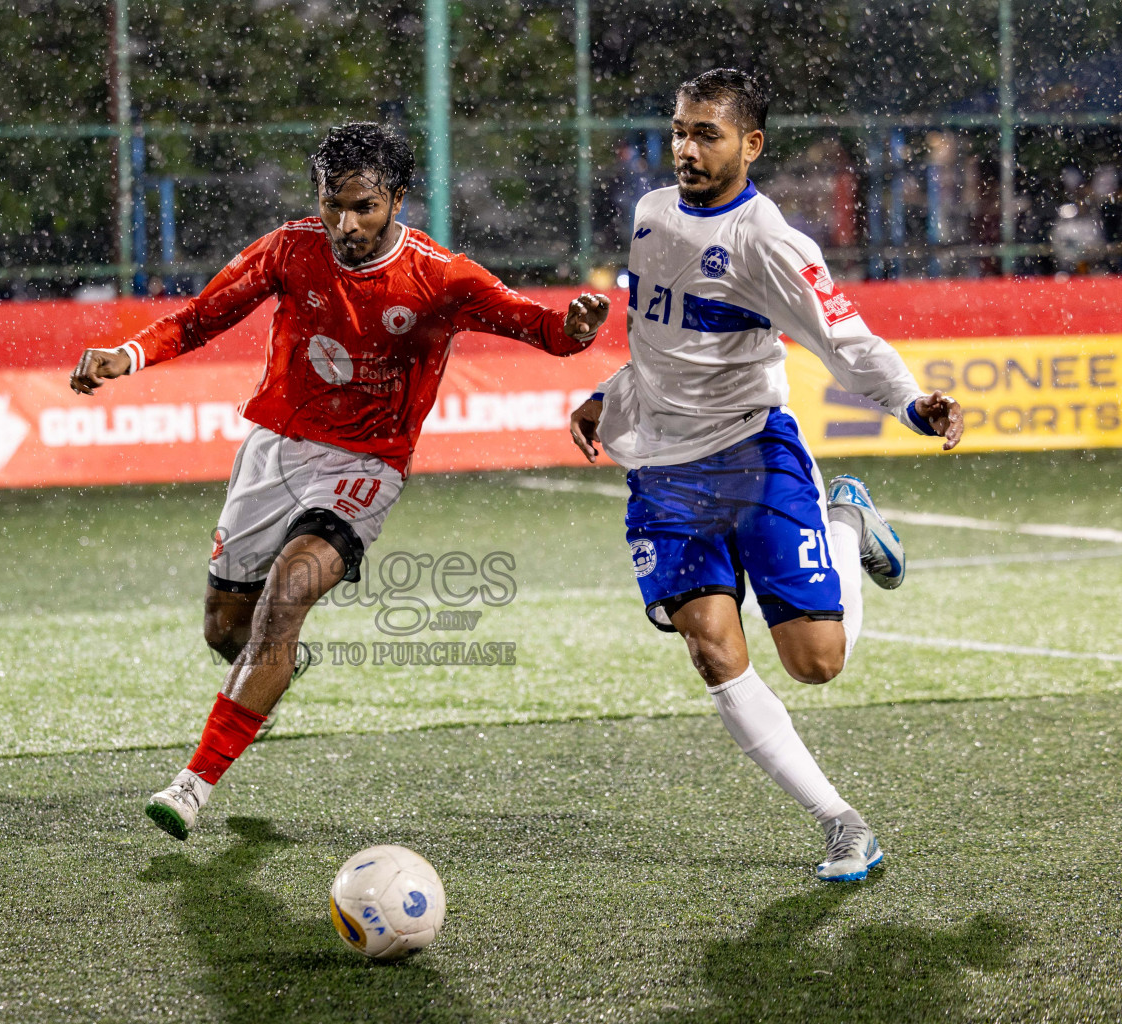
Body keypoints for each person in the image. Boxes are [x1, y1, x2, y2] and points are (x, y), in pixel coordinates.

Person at [69, 121, 611, 841]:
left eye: (364, 207)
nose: (346, 225)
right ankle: (273, 663)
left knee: (289, 593)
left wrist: (578, 326)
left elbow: (544, 331)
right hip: (274, 454)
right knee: (227, 630)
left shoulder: (443, 276)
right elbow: (202, 318)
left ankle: (192, 785)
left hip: (365, 465)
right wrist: (127, 356)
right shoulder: (290, 250)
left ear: (397, 200)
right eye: (333, 206)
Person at [569, 69, 962, 883]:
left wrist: (910, 402)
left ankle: (846, 521)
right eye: (679, 130)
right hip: (665, 475)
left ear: (750, 144)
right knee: (711, 647)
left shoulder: (769, 241)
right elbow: (655, 339)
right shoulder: (648, 215)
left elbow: (843, 340)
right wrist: (608, 400)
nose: (686, 147)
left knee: (816, 662)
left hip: (753, 457)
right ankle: (841, 822)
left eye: (705, 133)